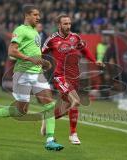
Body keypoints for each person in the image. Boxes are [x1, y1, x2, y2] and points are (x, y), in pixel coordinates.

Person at [0, 5, 64, 151]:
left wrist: (42, 62)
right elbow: (12, 51)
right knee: (20, 111)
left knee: (50, 104)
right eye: (35, 14)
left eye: (39, 15)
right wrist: (30, 59)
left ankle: (50, 140)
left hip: (37, 73)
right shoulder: (20, 30)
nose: (38, 17)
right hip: (22, 75)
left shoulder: (35, 32)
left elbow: (33, 53)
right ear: (27, 15)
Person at [41, 14, 104, 145]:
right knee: (76, 100)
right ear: (59, 25)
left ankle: (48, 117)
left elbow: (85, 50)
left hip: (74, 77)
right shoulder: (52, 40)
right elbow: (40, 53)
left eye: (69, 23)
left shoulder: (75, 37)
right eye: (65, 24)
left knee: (67, 108)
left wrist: (95, 60)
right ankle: (73, 134)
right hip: (60, 76)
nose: (68, 26)